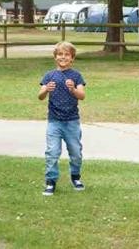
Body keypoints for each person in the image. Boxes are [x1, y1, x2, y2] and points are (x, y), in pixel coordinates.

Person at [37, 41, 87, 196]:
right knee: (52, 151)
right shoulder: (49, 75)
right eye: (60, 54)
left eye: (66, 55)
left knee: (76, 152)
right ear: (55, 57)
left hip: (72, 121)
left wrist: (72, 89)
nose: (63, 57)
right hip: (54, 122)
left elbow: (82, 95)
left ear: (72, 58)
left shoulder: (76, 76)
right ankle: (50, 181)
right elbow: (40, 96)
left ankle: (75, 177)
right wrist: (45, 90)